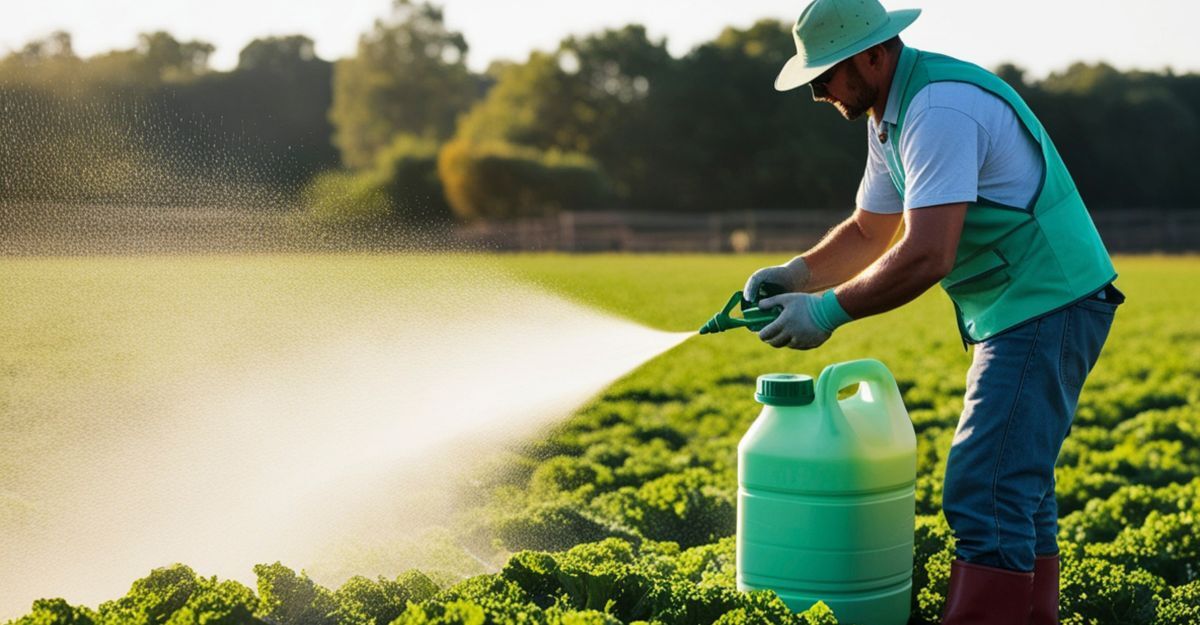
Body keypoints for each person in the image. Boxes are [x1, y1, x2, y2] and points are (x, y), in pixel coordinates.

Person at [742, 0, 1124, 623]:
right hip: (1018, 306)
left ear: (873, 55)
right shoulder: (888, 115)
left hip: (1047, 298)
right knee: (1016, 486)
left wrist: (825, 312)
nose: (818, 92)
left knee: (985, 485)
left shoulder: (938, 109)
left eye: (826, 74)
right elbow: (870, 231)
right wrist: (797, 274)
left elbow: (926, 253)